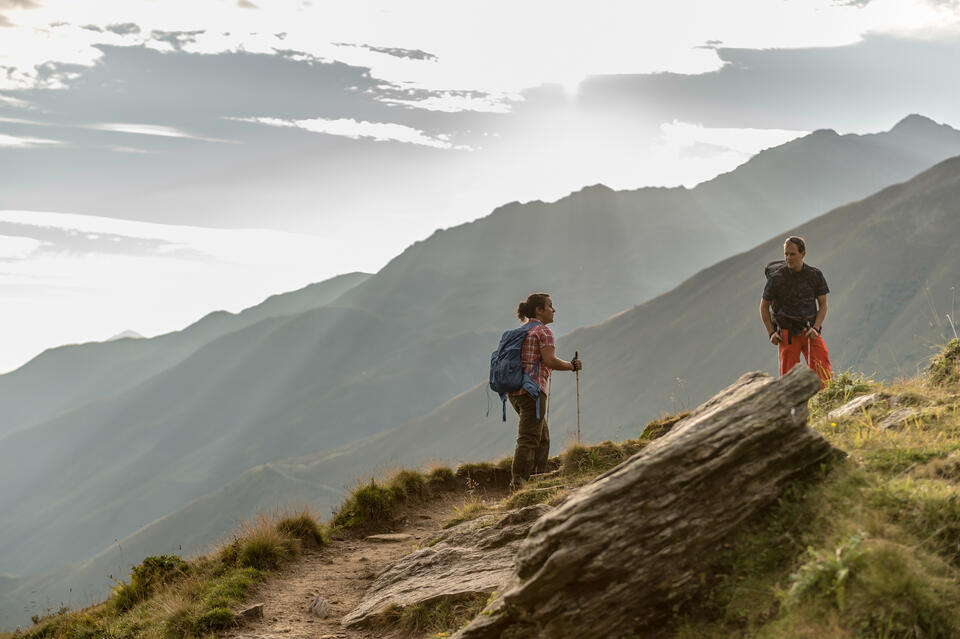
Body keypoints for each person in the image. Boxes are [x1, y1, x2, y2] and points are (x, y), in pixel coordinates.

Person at [509, 292, 582, 491]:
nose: (554, 309)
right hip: (533, 391)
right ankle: (520, 486)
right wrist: (572, 366)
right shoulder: (543, 332)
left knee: (542, 437)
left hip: (514, 391)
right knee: (529, 438)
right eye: (550, 306)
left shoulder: (522, 331)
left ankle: (535, 480)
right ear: (539, 310)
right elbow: (550, 361)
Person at [760, 236, 833, 387]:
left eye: (792, 254)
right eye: (786, 254)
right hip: (787, 335)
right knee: (789, 383)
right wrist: (771, 333)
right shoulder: (776, 278)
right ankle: (793, 409)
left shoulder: (815, 275)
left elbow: (823, 305)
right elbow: (763, 306)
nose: (788, 258)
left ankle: (825, 405)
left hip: (810, 332)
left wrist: (816, 327)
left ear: (803, 253)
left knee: (824, 373)